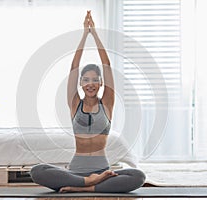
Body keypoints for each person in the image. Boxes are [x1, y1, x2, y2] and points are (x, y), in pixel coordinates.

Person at [30, 11, 145, 193]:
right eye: (85, 80)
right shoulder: (75, 103)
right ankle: (90, 183)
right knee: (37, 171)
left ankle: (86, 187)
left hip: (102, 170)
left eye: (94, 80)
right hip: (76, 171)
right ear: (80, 83)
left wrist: (95, 34)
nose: (90, 83)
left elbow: (106, 63)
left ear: (100, 83)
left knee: (138, 177)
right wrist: (84, 34)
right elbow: (74, 67)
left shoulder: (107, 103)